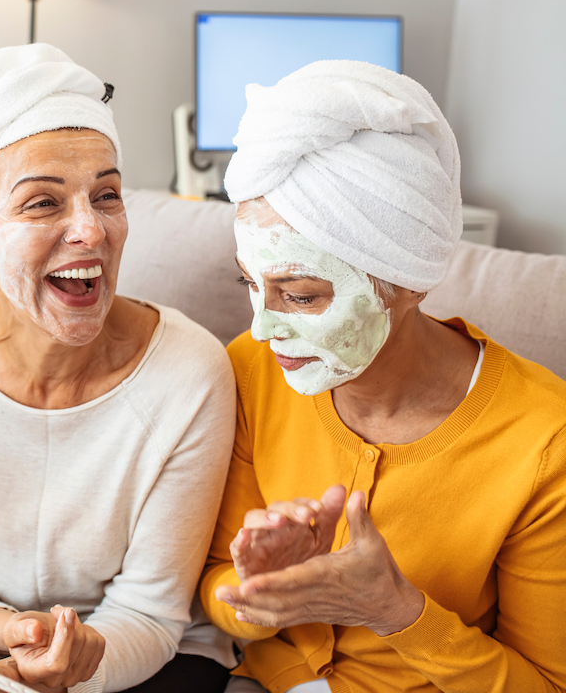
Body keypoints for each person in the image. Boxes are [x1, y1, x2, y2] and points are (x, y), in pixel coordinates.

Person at [200, 60, 566, 693]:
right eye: (251, 286)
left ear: (405, 283)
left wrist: (397, 611)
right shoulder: (251, 370)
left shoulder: (544, 441)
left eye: (303, 296)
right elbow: (216, 586)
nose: (262, 328)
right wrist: (257, 596)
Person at [0, 44, 238, 693]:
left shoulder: (191, 373)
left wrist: (22, 682)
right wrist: (8, 643)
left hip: (148, 662)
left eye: (106, 196)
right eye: (43, 203)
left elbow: (153, 617)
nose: (92, 232)